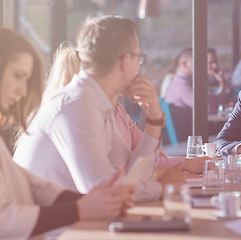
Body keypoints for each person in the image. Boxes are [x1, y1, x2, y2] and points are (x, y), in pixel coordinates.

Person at [0, 27, 134, 239]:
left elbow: (33, 185)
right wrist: (82, 208)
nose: (22, 91)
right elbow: (0, 220)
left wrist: (91, 201)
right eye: (18, 76)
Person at [13, 16, 193, 203]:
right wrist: (162, 187)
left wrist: (154, 120)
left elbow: (134, 176)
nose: (139, 68)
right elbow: (103, 192)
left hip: (80, 225)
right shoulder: (77, 106)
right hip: (55, 230)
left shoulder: (100, 105)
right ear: (126, 61)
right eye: (139, 58)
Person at [42, 43, 200, 174]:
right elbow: (130, 173)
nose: (136, 71)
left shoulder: (117, 111)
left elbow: (154, 159)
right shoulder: (78, 114)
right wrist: (184, 164)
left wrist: (154, 116)